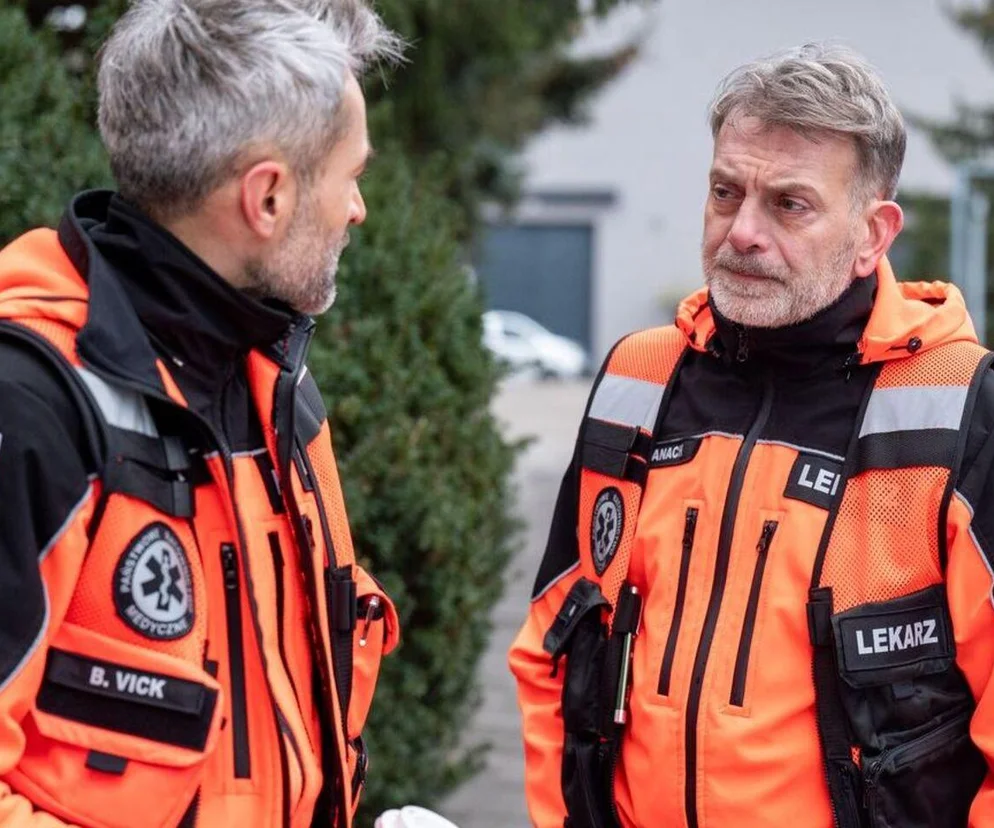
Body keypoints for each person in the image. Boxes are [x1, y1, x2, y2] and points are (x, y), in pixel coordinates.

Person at [510, 43, 994, 828]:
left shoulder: (953, 407)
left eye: (789, 205)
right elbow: (553, 647)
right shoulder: (639, 379)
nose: (741, 232)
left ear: (873, 234)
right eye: (725, 192)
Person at [0, 1, 404, 825]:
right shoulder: (30, 406)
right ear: (268, 197)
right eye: (351, 175)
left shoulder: (279, 393)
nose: (357, 209)